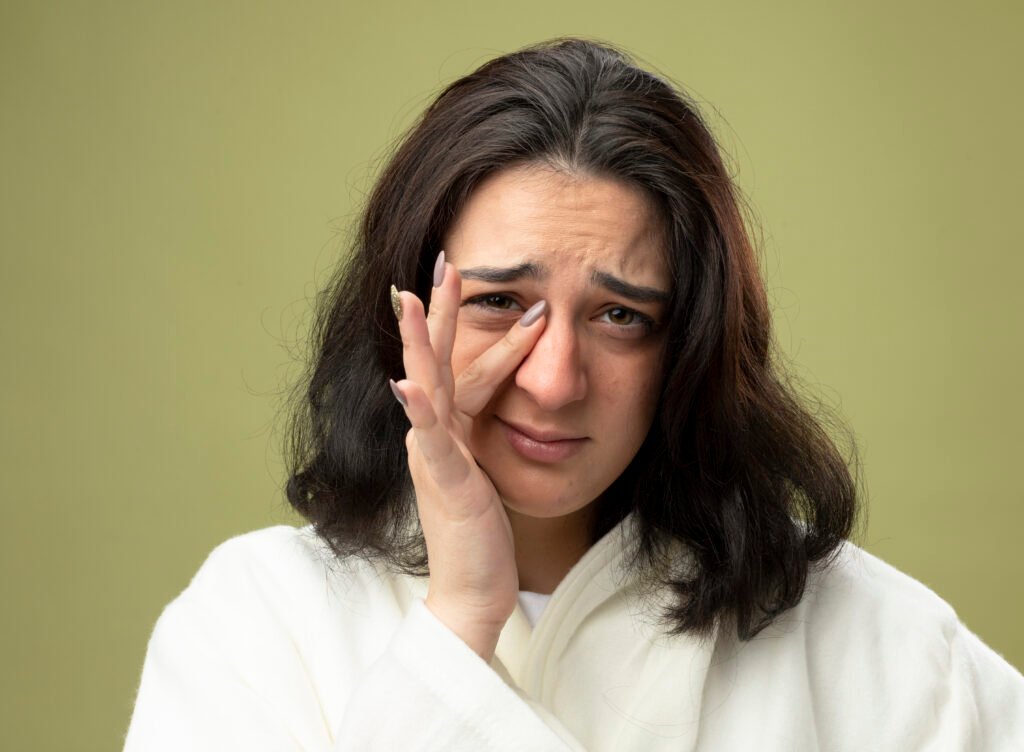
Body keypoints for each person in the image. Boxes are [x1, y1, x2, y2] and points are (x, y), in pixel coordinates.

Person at [124, 38, 1024, 750]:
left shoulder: (875, 643)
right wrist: (462, 616)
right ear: (402, 312)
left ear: (691, 344)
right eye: (500, 304)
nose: (553, 381)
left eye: (621, 316)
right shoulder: (255, 622)